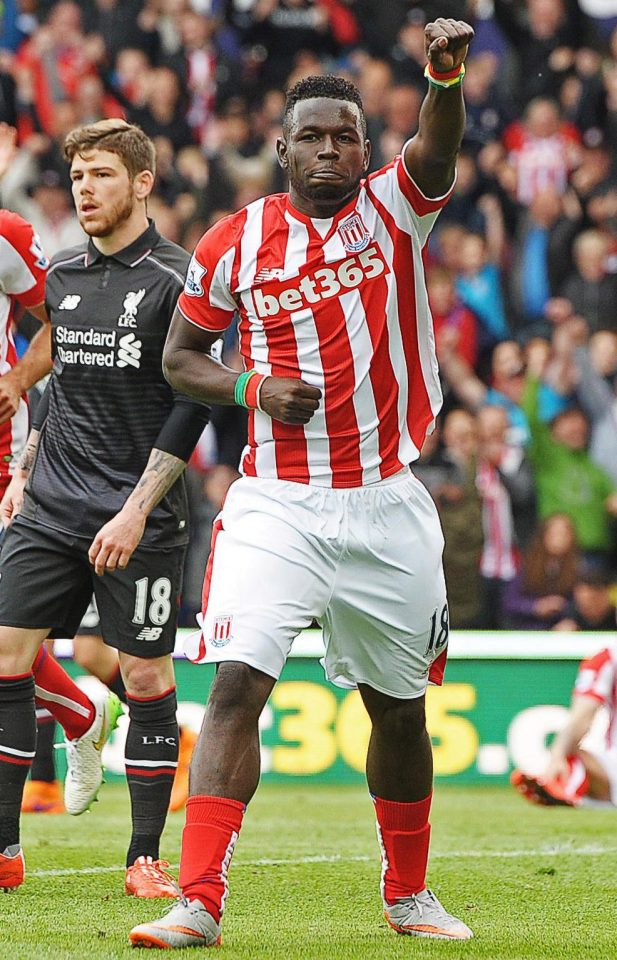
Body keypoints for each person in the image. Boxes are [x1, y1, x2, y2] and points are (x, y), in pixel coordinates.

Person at [130, 17, 476, 948]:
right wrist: (250, 386)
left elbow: (437, 151)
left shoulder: (396, 207)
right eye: (311, 135)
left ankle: (406, 896)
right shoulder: (229, 245)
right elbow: (179, 359)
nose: (328, 148)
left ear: (366, 149)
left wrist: (441, 81)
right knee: (236, 687)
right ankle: (197, 902)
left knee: (398, 711)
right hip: (275, 501)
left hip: (389, 499)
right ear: (280, 146)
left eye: (345, 135)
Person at [0, 118, 210, 894]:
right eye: (78, 176)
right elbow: (66, 376)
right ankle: (5, 853)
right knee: (4, 658)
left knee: (143, 675)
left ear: (143, 183)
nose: (84, 190)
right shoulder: (62, 273)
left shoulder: (177, 279)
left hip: (140, 512)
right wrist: (26, 464)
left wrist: (134, 508)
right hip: (52, 501)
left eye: (101, 176)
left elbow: (192, 406)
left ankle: (144, 860)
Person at [511, 639, 617, 807]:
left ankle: (564, 787)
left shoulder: (608, 657)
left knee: (570, 756)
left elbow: (582, 716)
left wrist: (558, 755)